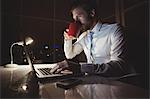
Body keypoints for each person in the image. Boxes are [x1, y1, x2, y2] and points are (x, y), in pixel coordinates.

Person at [50, 0, 135, 77]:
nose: (76, 22)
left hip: (113, 82)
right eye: (74, 19)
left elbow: (119, 66)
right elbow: (69, 55)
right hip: (91, 82)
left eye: (79, 16)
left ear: (92, 13)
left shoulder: (114, 30)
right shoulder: (84, 36)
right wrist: (68, 39)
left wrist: (80, 67)